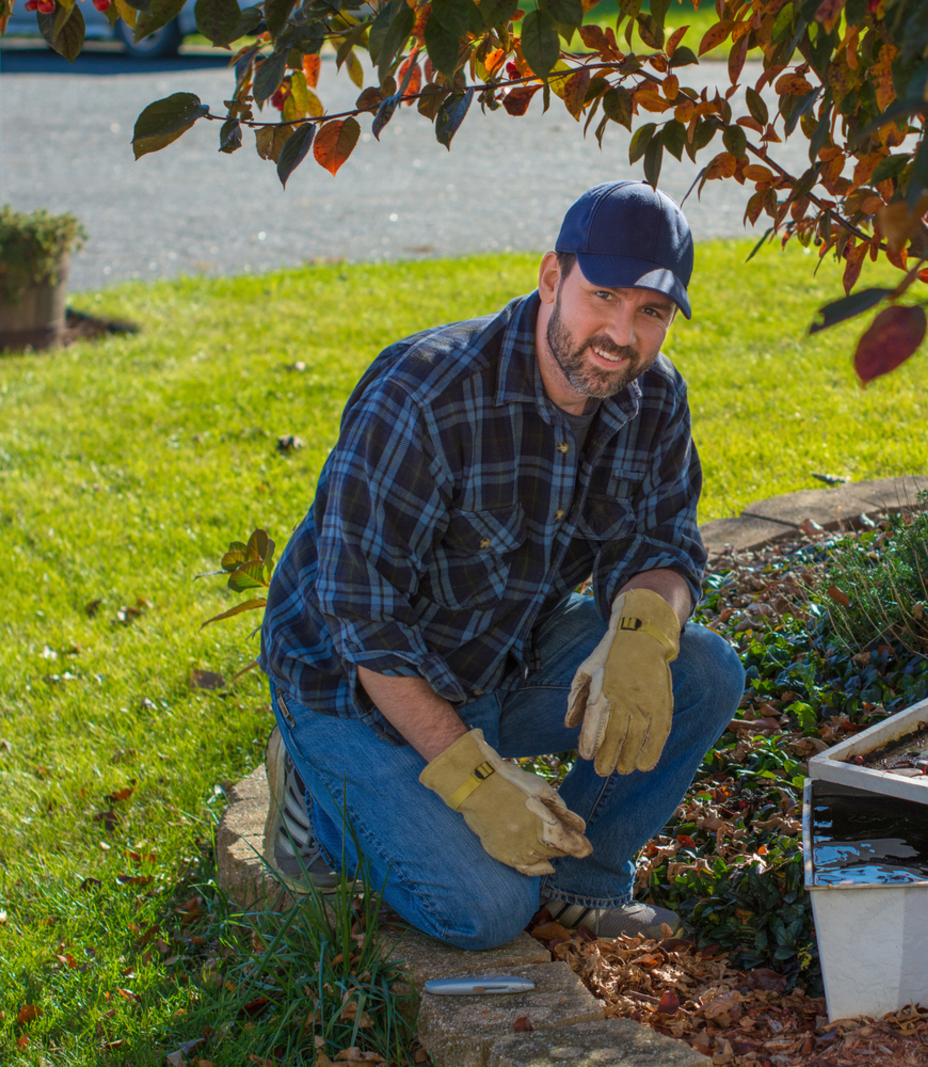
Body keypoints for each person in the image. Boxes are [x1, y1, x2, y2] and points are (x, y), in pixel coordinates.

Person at [257, 180, 745, 949]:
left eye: (650, 311)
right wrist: (472, 781)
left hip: (498, 654)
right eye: (604, 296)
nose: (622, 333)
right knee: (486, 909)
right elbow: (363, 620)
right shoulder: (425, 394)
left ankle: (584, 881)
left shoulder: (651, 398)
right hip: (354, 685)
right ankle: (316, 790)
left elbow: (665, 543)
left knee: (704, 673)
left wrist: (645, 633)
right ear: (552, 277)